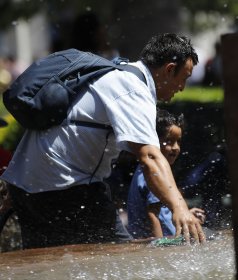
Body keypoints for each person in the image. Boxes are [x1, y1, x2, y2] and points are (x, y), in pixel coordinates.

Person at [1, 33, 205, 249]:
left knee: (48, 263)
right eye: (184, 77)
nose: (182, 87)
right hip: (63, 186)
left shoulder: (116, 75)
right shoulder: (132, 88)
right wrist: (179, 207)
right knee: (118, 259)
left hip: (28, 185)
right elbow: (150, 157)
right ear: (169, 69)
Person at [127, 109, 205, 239]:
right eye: (169, 141)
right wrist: (160, 249)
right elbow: (152, 215)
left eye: (178, 141)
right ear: (153, 141)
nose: (175, 147)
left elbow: (161, 211)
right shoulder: (154, 173)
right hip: (157, 242)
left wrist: (187, 214)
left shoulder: (144, 169)